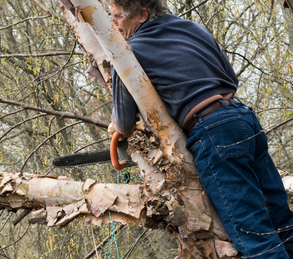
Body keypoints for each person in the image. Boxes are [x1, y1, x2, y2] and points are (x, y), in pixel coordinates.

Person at [107, 0, 293, 258]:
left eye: (117, 16)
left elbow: (124, 122)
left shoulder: (127, 52)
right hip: (243, 118)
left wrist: (116, 129)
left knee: (255, 237)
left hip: (213, 131)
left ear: (141, 15)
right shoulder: (192, 28)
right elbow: (231, 77)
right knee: (283, 224)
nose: (112, 23)